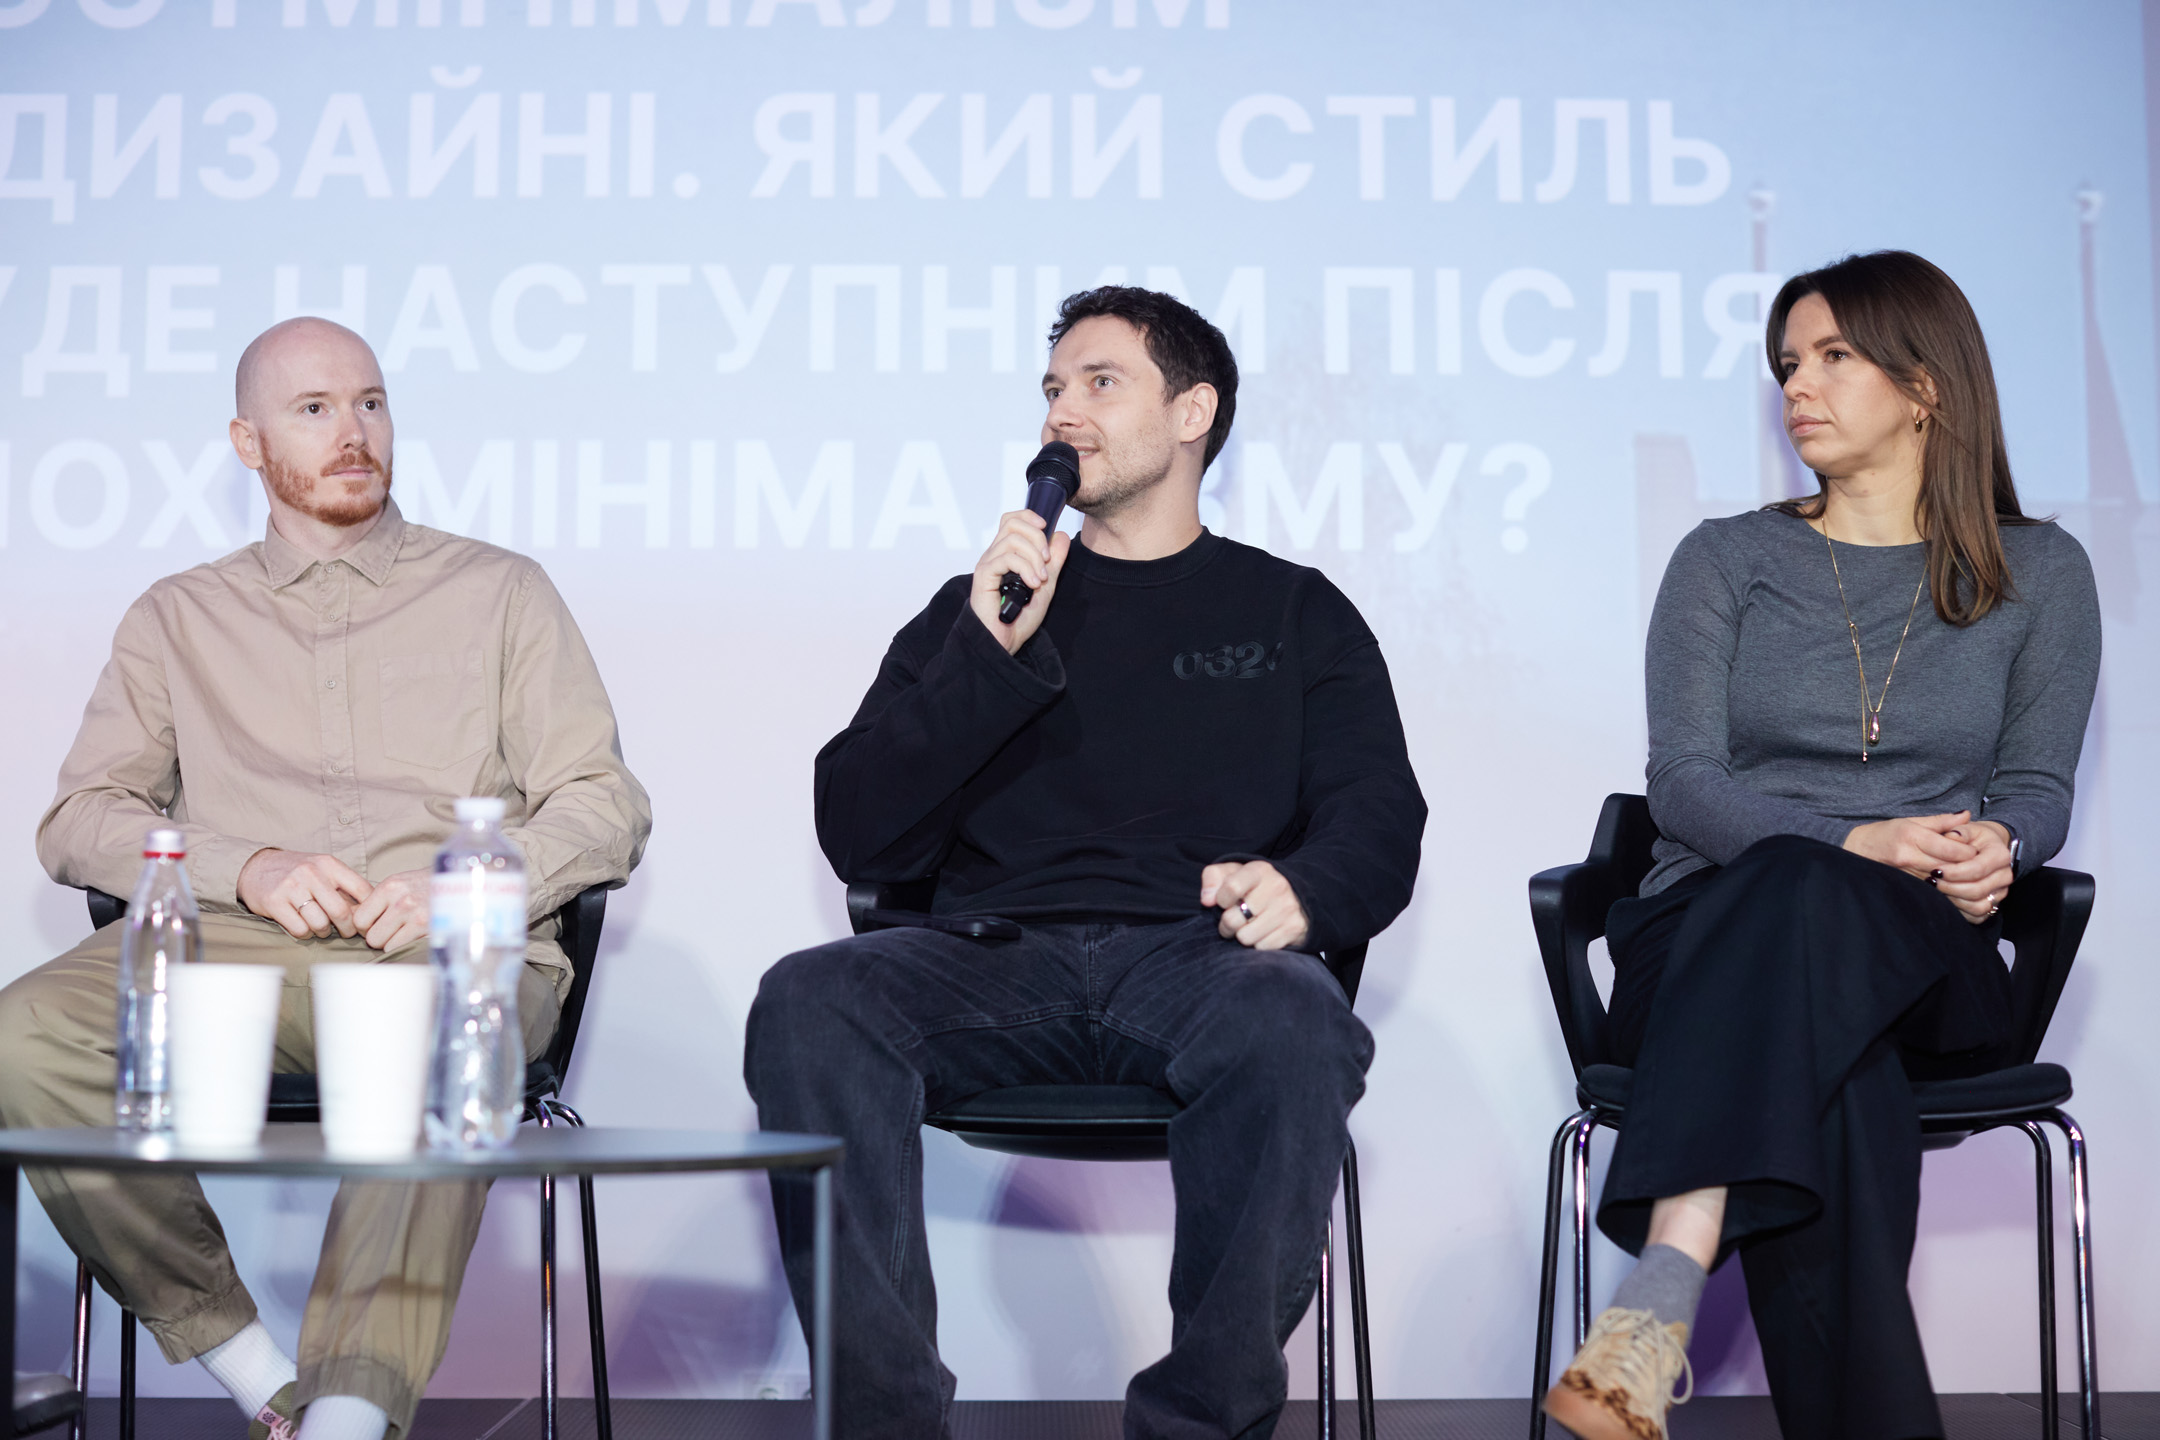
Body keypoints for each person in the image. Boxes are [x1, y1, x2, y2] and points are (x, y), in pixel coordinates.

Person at [745, 287, 1426, 1439]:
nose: (1064, 412)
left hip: (1199, 962)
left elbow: (1379, 817)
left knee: (1293, 1020)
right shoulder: (977, 611)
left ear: (1192, 413)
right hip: (993, 961)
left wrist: (1302, 890)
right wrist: (987, 653)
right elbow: (857, 826)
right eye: (1054, 388)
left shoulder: (1294, 612)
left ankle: (1199, 1426)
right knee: (810, 1001)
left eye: (1101, 383)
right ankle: (884, 1425)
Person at [0, 318, 652, 1440]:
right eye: (314, 410)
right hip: (238, 957)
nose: (354, 432)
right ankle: (256, 1372)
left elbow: (605, 802)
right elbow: (80, 819)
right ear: (248, 445)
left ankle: (347, 1420)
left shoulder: (501, 591)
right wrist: (244, 866)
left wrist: (477, 885)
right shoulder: (177, 616)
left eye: (371, 402)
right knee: (21, 1037)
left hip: (451, 955)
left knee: (438, 1043)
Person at [1543, 250, 2102, 1440]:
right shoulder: (1727, 560)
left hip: (1922, 952)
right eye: (1789, 362)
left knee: (1814, 916)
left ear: (1926, 384)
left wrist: (2000, 843)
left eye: (1834, 356)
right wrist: (1856, 837)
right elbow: (1683, 785)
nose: (1797, 384)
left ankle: (1674, 1254)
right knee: (1839, 1077)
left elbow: (2037, 787)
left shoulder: (2040, 573)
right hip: (1701, 944)